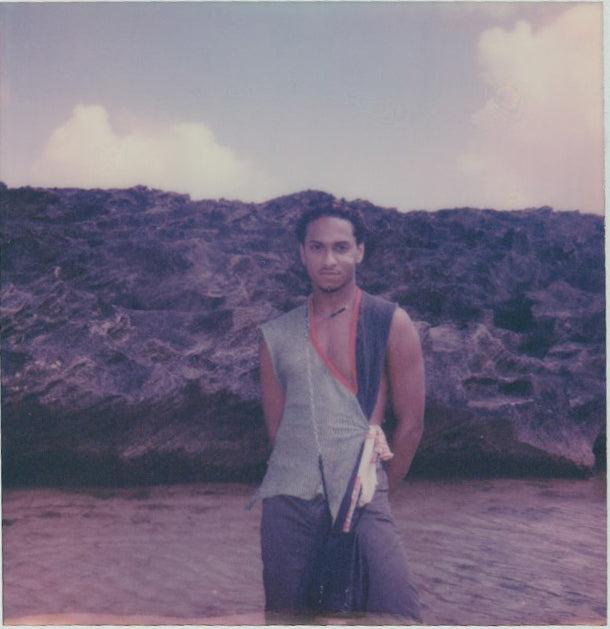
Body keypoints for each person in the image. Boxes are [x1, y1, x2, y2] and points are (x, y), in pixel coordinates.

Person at [254, 201, 425, 622]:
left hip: (363, 491)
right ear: (302, 253)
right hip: (287, 502)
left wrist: (380, 487)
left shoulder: (389, 322)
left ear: (359, 251)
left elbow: (411, 426)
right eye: (317, 247)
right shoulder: (275, 334)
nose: (329, 259)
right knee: (287, 618)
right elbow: (277, 431)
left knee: (398, 614)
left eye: (341, 247)